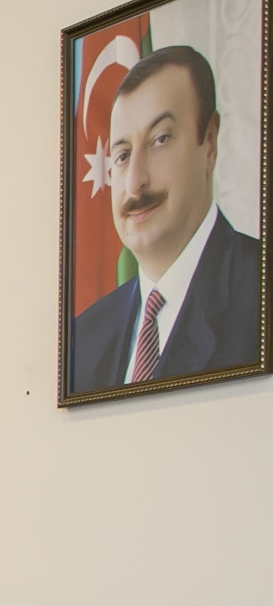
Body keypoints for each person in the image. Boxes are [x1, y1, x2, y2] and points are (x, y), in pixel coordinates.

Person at [70, 43, 265, 392]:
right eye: (122, 155)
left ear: (209, 143)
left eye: (160, 140)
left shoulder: (261, 292)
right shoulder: (82, 339)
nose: (135, 183)